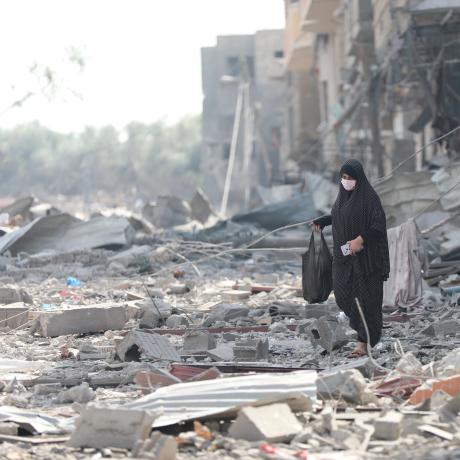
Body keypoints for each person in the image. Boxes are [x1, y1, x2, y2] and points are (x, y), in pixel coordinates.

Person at [313, 159, 390, 357]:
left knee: (367, 300)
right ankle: (361, 333)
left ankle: (362, 344)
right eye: (343, 177)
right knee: (342, 295)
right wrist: (324, 221)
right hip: (343, 259)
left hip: (366, 261)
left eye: (350, 178)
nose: (346, 181)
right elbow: (340, 217)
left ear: (359, 179)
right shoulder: (342, 199)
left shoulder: (369, 199)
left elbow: (378, 226)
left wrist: (361, 239)